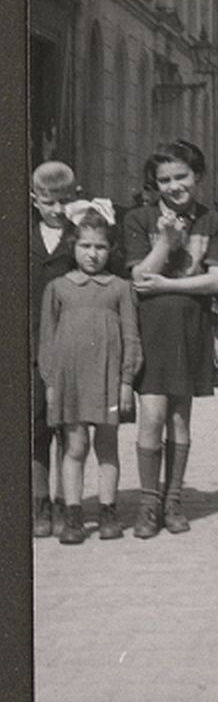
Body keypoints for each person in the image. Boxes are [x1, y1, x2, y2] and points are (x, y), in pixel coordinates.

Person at [123, 140, 218, 539]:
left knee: (180, 418)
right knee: (152, 416)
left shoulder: (212, 221)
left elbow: (217, 281)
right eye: (165, 180)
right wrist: (166, 242)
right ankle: (148, 504)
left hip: (190, 331)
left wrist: (167, 283)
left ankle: (173, 501)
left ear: (197, 175)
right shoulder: (139, 218)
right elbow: (139, 277)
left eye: (181, 176)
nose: (174, 186)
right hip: (151, 331)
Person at [38, 203, 141, 544]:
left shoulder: (120, 288)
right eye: (85, 246)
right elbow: (48, 340)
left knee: (107, 447)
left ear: (111, 249)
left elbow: (131, 336)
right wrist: (51, 383)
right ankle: (73, 514)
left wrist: (126, 381)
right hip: (71, 381)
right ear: (73, 247)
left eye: (100, 246)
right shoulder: (58, 288)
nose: (93, 254)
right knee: (75, 445)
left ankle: (108, 511)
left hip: (108, 378)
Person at [30, 161, 77, 537]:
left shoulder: (81, 237)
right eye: (49, 202)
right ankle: (39, 501)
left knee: (68, 426)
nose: (58, 210)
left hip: (71, 346)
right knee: (35, 427)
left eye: (64, 201)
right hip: (30, 345)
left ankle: (65, 500)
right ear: (34, 199)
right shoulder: (20, 233)